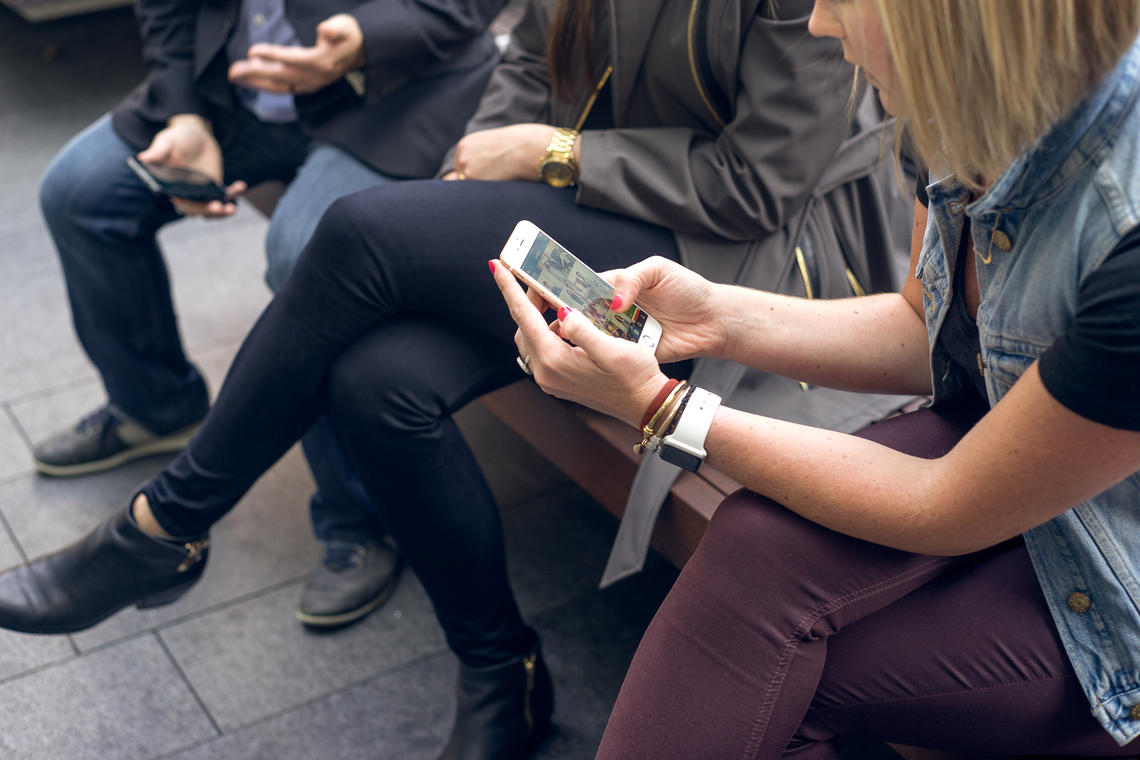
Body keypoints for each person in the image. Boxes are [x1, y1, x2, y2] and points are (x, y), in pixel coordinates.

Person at [0, 0, 889, 757]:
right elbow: (532, 65)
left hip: (717, 277)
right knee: (374, 382)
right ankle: (504, 671)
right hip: (592, 222)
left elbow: (758, 185)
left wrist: (549, 154)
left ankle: (164, 527)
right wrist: (480, 157)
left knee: (356, 233)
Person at [493, 0, 1140, 756]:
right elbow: (919, 323)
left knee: (762, 686)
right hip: (1013, 459)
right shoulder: (967, 116)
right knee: (753, 545)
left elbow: (948, 504)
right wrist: (719, 317)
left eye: (839, 1)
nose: (819, 26)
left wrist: (660, 408)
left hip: (1113, 570)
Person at [33, 0, 510, 628]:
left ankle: (358, 519)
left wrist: (369, 36)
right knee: (76, 192)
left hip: (396, 93)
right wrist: (185, 112)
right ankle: (156, 407)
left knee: (306, 257)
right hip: (234, 94)